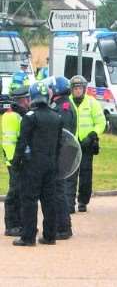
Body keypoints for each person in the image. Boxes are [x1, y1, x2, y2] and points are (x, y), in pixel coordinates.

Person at [12, 82, 63, 246]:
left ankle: (28, 237)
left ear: (32, 97)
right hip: (50, 163)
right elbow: (59, 144)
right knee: (49, 200)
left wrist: (16, 162)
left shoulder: (30, 117)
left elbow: (22, 142)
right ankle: (50, 236)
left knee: (29, 200)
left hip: (33, 164)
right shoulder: (57, 117)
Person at [69, 75, 106, 213]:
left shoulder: (92, 103)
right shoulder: (67, 102)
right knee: (70, 174)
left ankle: (83, 201)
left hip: (87, 144)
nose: (77, 91)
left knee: (85, 174)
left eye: (80, 88)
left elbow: (101, 123)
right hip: (71, 144)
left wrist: (92, 135)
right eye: (75, 88)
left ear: (84, 89)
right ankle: (69, 201)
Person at [49, 76, 77, 239]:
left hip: (64, 152)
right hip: (65, 150)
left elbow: (62, 133)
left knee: (59, 191)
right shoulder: (61, 105)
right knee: (58, 190)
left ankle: (63, 228)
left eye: (52, 89)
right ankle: (62, 226)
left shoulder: (64, 107)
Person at [2, 86, 30, 237]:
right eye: (27, 99)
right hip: (15, 161)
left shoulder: (18, 114)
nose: (29, 101)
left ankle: (19, 223)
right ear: (21, 100)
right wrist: (16, 161)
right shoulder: (11, 116)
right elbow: (9, 141)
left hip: (18, 159)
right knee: (15, 192)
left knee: (20, 191)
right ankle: (11, 225)